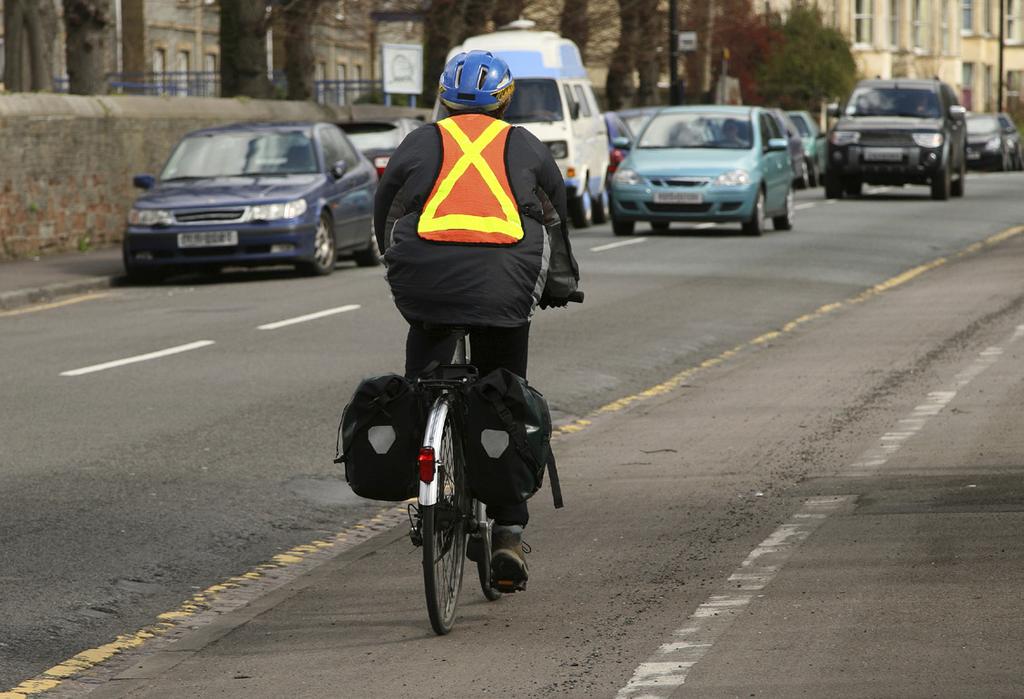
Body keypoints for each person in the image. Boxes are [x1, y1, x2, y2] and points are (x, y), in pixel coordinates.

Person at [373, 50, 580, 592]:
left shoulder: (419, 143)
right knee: (503, 392)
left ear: (444, 98)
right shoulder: (527, 145)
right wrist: (559, 287)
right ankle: (509, 529)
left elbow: (386, 212)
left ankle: (430, 480)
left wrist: (396, 267)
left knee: (424, 376)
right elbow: (555, 224)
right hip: (504, 285)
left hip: (424, 281)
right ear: (505, 101)